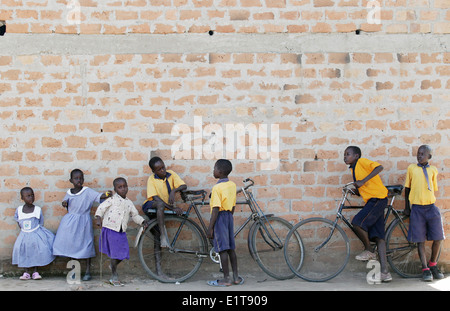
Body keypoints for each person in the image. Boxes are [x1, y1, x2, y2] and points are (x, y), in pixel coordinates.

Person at [343, 146, 392, 282]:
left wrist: (362, 181)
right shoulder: (354, 169)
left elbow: (379, 167)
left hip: (377, 199)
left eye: (348, 154)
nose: (345, 157)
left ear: (357, 156)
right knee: (379, 237)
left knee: (357, 222)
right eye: (344, 155)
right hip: (375, 200)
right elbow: (364, 187)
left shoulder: (362, 162)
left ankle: (369, 250)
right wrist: (356, 190)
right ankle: (385, 273)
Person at [53, 169, 111, 281]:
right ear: (71, 180)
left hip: (84, 221)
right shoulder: (69, 192)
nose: (79, 180)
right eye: (76, 178)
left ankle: (88, 271)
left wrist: (107, 194)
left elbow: (98, 197)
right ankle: (74, 270)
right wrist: (64, 203)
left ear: (83, 179)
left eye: (81, 178)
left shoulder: (87, 191)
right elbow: (65, 202)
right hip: (70, 222)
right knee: (71, 245)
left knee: (86, 244)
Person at [95, 177, 148, 286]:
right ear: (115, 189)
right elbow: (101, 208)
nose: (123, 189)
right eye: (120, 187)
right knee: (115, 254)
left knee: (124, 252)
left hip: (121, 231)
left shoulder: (129, 203)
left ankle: (112, 265)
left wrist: (142, 222)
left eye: (125, 186)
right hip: (110, 229)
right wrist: (98, 218)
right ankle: (114, 276)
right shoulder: (112, 199)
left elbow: (135, 215)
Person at [404, 145, 444, 281]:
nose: (419, 156)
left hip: (431, 207)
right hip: (417, 208)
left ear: (429, 157)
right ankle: (425, 268)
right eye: (418, 153)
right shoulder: (411, 168)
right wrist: (407, 207)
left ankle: (433, 264)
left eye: (422, 154)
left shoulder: (433, 170)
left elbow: (433, 188)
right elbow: (407, 188)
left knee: (438, 237)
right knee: (420, 240)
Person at [206, 159, 243, 286]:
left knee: (222, 249)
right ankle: (236, 277)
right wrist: (229, 217)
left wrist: (210, 228)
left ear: (220, 171)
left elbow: (215, 209)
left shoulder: (216, 188)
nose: (213, 171)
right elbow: (233, 205)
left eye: (214, 168)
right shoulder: (232, 185)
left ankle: (226, 278)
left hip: (220, 217)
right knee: (231, 248)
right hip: (229, 217)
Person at [142, 157, 186, 248]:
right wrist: (173, 208)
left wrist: (174, 191)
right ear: (154, 171)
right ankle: (163, 236)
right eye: (159, 169)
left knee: (156, 236)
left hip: (162, 208)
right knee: (160, 205)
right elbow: (155, 198)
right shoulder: (152, 179)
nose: (163, 170)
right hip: (151, 205)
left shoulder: (171, 174)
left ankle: (158, 262)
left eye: (163, 167)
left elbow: (184, 186)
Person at [12, 187, 56, 280]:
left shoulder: (37, 209)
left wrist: (34, 231)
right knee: (23, 251)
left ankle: (35, 272)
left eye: (32, 195)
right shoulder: (19, 210)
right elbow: (18, 221)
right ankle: (26, 272)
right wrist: (24, 230)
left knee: (37, 251)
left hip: (36, 234)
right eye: (27, 196)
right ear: (22, 198)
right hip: (24, 234)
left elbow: (41, 222)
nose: (31, 198)